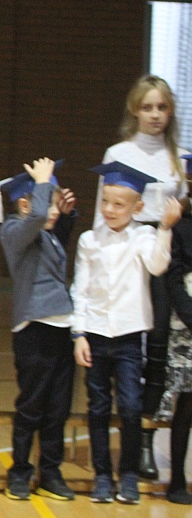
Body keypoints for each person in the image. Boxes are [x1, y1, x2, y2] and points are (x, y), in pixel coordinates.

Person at [96, 76, 189, 480]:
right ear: (135, 110)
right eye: (148, 107)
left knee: (160, 347)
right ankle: (131, 439)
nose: (155, 115)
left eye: (162, 108)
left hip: (166, 252)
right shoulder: (118, 153)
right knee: (129, 345)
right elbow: (103, 212)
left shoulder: (180, 157)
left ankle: (148, 436)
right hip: (128, 250)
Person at [72, 161, 181, 504]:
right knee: (98, 409)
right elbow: (81, 289)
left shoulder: (144, 237)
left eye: (119, 204)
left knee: (131, 408)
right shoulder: (90, 240)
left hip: (129, 338)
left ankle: (129, 475)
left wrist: (165, 228)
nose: (110, 209)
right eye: (105, 201)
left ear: (138, 207)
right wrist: (78, 333)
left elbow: (158, 265)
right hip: (95, 335)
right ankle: (103, 476)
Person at [0, 158, 78, 501]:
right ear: (25, 205)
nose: (53, 211)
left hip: (62, 330)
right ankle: (19, 472)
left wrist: (66, 215)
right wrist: (43, 183)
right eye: (48, 203)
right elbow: (36, 221)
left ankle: (51, 473)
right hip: (35, 334)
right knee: (31, 406)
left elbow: (51, 241)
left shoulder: (47, 235)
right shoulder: (13, 232)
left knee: (57, 409)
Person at [155, 154, 192, 504]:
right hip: (188, 324)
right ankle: (177, 481)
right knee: (187, 404)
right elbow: (174, 275)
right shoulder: (181, 224)